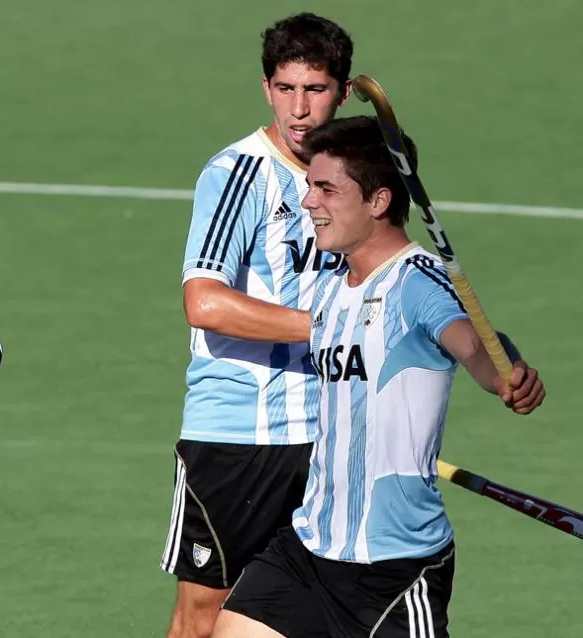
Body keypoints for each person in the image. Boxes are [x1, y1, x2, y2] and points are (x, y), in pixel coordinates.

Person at [211, 115, 547, 638]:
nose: (308, 203)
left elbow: (474, 342)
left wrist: (506, 373)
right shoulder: (329, 285)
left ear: (379, 201)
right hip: (308, 548)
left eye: (325, 189)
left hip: (391, 570)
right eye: (308, 188)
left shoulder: (418, 282)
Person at [160, 12, 354, 638]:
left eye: (316, 90)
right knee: (205, 615)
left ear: (342, 93)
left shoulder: (356, 180)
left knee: (317, 612)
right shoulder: (237, 176)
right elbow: (205, 304)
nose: (300, 109)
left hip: (331, 432)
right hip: (239, 438)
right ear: (267, 88)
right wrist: (326, 328)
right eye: (286, 88)